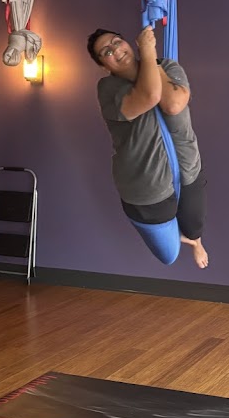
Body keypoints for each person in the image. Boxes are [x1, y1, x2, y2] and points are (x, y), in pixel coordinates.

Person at [87, 25, 208, 269]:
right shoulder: (107, 89)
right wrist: (147, 50)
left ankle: (195, 242)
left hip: (187, 166)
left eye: (117, 41)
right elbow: (149, 96)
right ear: (103, 66)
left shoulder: (168, 67)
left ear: (126, 42)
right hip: (146, 182)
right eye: (106, 52)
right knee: (169, 254)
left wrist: (150, 60)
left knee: (194, 227)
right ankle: (177, 235)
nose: (115, 50)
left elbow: (173, 104)